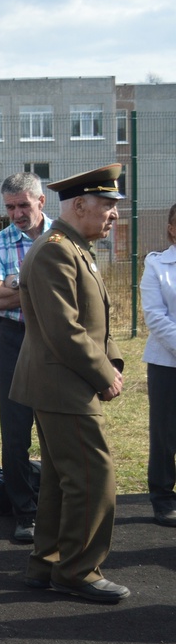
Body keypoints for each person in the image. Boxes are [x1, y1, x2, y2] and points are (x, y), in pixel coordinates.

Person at [11, 164, 129, 603]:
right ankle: (78, 570)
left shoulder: (73, 247)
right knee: (93, 478)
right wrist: (103, 374)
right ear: (80, 205)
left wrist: (110, 360)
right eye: (108, 205)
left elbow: (95, 318)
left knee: (63, 479)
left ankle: (48, 562)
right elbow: (64, 330)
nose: (114, 214)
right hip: (64, 383)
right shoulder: (56, 250)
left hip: (63, 380)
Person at [0, 173, 52, 543]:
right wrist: (43, 285)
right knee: (15, 429)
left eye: (23, 205)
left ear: (41, 201)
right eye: (10, 207)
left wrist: (16, 282)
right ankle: (25, 513)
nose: (17, 214)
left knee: (58, 426)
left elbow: (76, 291)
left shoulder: (64, 237)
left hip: (56, 338)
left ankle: (58, 507)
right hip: (14, 339)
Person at [142, 204, 176, 528]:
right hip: (167, 363)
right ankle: (163, 498)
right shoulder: (156, 265)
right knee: (165, 434)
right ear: (171, 228)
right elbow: (154, 316)